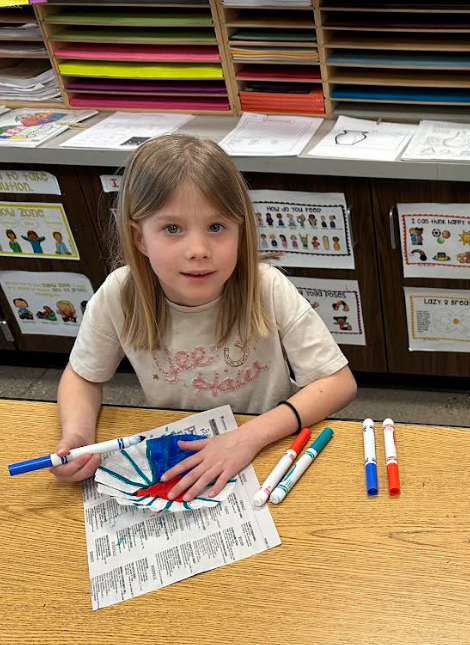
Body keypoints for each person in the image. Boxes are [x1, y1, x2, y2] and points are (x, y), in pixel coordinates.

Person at [52, 134, 357, 503]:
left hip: (268, 443)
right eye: (172, 229)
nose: (198, 251)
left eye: (216, 227)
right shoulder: (120, 295)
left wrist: (245, 439)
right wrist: (80, 434)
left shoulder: (265, 286)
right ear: (140, 238)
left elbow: (338, 383)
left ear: (240, 229)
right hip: (180, 454)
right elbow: (83, 376)